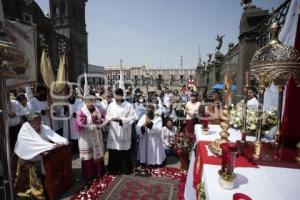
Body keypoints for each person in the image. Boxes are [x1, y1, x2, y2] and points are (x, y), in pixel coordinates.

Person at [14, 112, 68, 199]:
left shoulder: (43, 127)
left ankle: (48, 186)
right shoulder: (25, 130)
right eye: (36, 120)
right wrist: (52, 146)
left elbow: (54, 136)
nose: (38, 122)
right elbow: (34, 143)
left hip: (42, 156)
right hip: (27, 159)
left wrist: (63, 141)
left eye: (39, 120)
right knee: (30, 180)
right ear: (30, 121)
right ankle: (34, 192)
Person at [106, 88, 137, 174]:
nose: (115, 98)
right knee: (114, 151)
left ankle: (125, 169)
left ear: (121, 95)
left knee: (124, 151)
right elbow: (107, 116)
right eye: (115, 96)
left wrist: (121, 120)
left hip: (124, 132)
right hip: (113, 132)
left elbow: (134, 117)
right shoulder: (111, 105)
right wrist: (107, 121)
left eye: (117, 96)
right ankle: (113, 169)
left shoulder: (128, 105)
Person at [76, 95, 105, 180]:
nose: (91, 102)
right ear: (85, 101)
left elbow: (102, 118)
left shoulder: (97, 109)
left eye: (93, 100)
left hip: (96, 134)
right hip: (86, 136)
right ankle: (89, 174)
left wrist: (101, 121)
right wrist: (92, 117)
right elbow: (79, 123)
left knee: (97, 153)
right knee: (88, 156)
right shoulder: (81, 111)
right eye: (89, 101)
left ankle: (99, 172)